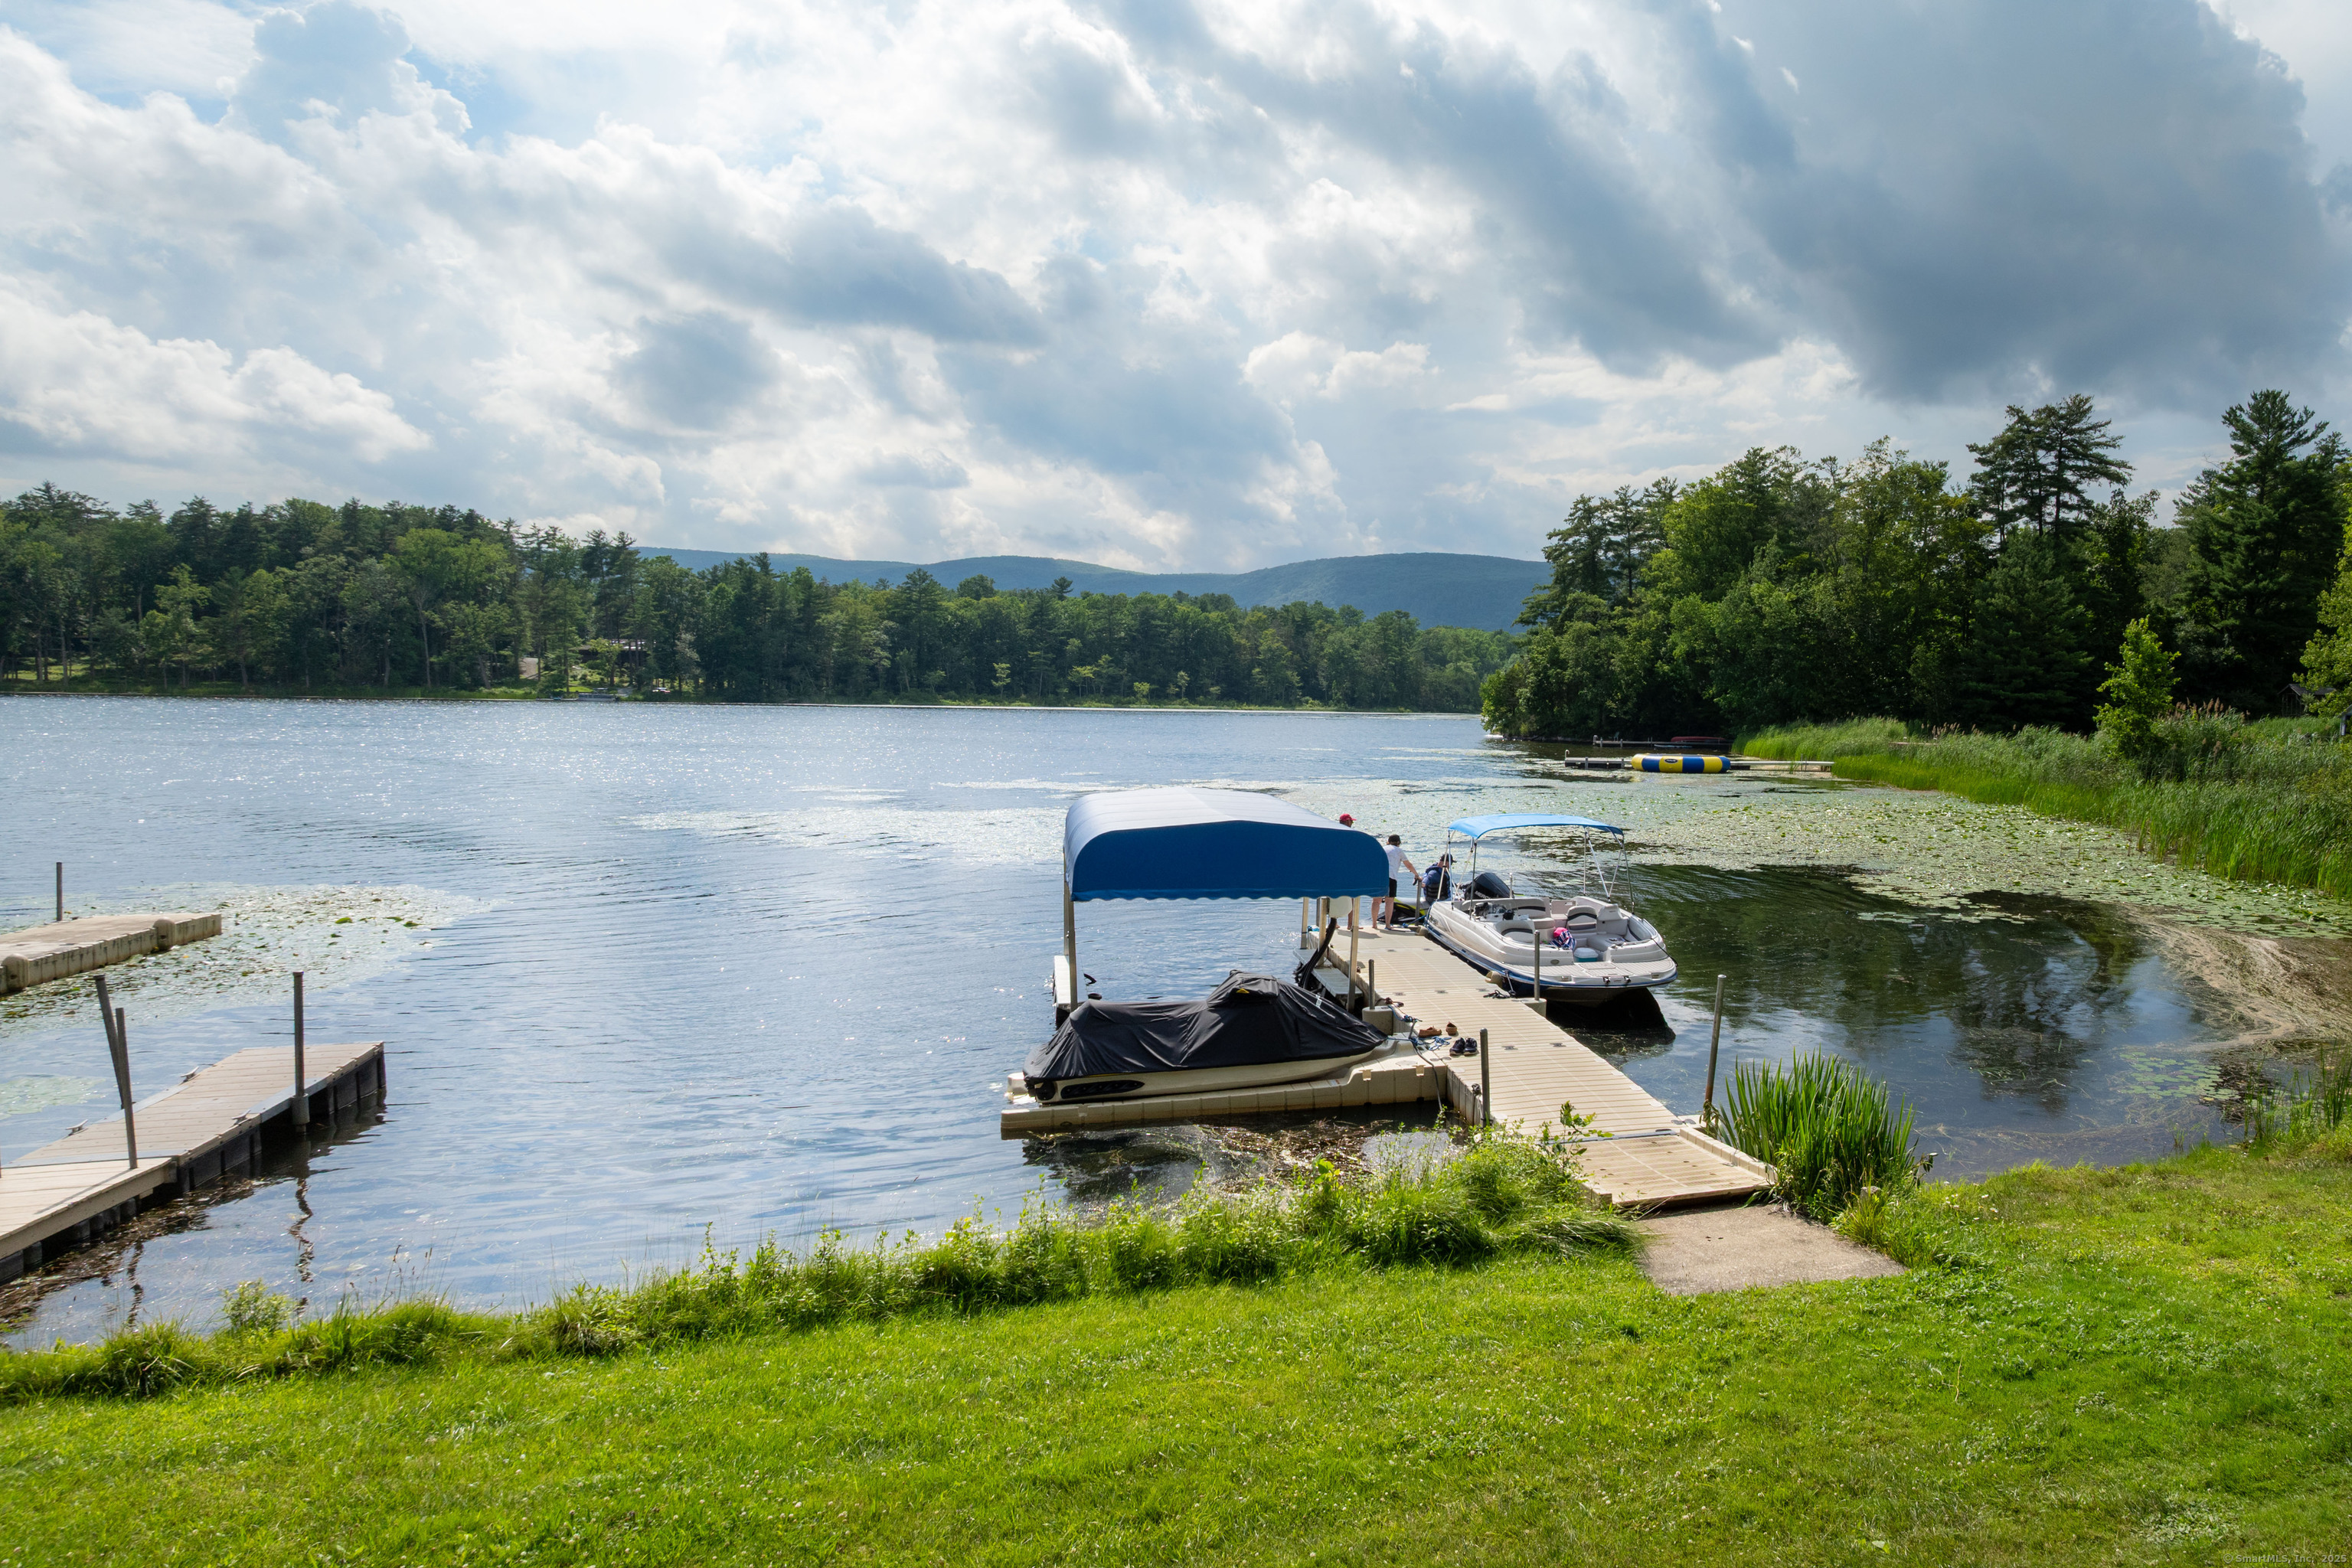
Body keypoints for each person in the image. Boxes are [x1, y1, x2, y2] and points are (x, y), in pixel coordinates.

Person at [1377, 834, 1417, 930]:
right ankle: (1387, 924)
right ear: (1398, 843)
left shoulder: (1382, 848)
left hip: (1379, 876)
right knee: (1389, 901)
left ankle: (1374, 924)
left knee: (1376, 900)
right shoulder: (1399, 851)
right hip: (1391, 876)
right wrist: (1416, 874)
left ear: (1388, 841)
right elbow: (1408, 865)